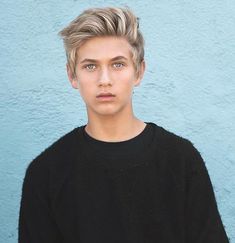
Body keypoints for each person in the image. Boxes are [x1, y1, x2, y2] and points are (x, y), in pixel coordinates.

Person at [18, 6, 229, 243]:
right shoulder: (46, 173)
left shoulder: (181, 160)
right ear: (72, 76)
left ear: (139, 71)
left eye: (118, 64)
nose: (104, 80)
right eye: (90, 66)